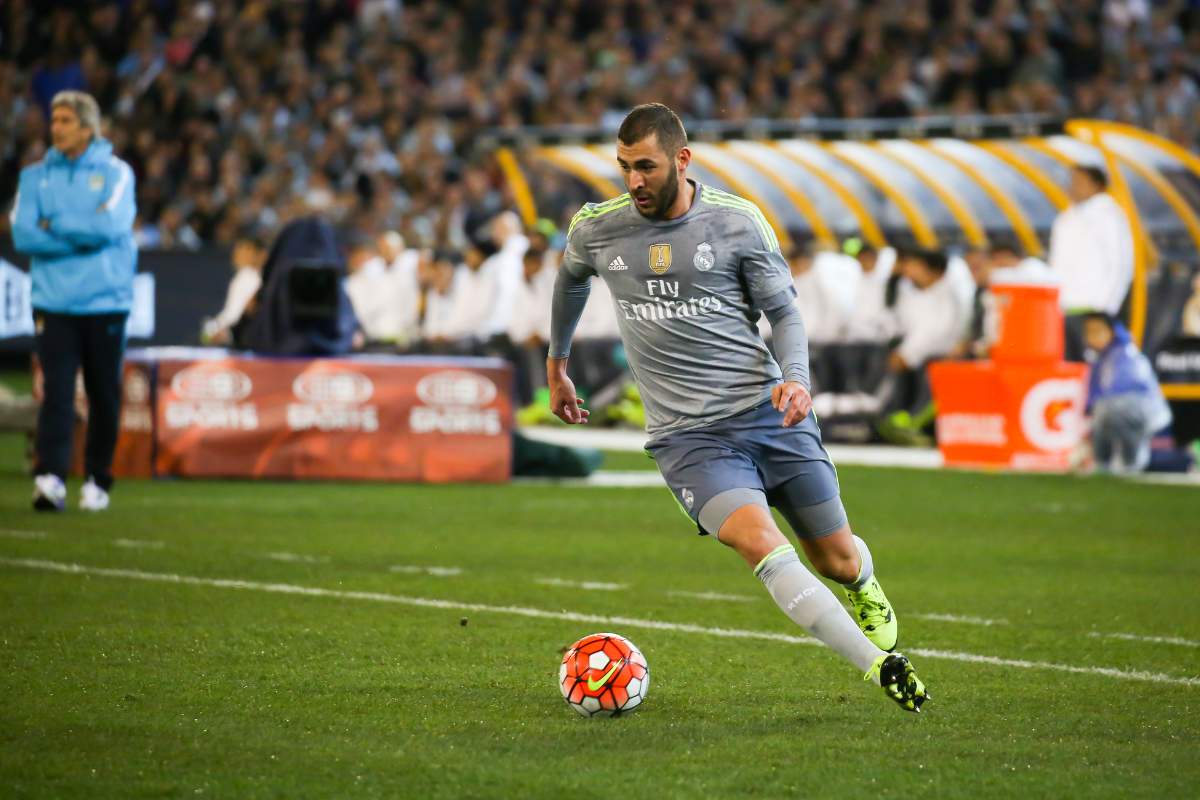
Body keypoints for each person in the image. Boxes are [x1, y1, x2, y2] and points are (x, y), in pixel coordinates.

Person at [547, 103, 929, 712]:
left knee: (836, 557)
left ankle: (862, 582)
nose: (634, 180)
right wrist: (557, 364)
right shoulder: (597, 227)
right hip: (687, 438)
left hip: (765, 412)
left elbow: (784, 313)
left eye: (645, 166)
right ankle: (876, 665)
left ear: (682, 159)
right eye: (623, 167)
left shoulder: (738, 223)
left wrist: (797, 380)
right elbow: (571, 280)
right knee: (761, 543)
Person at [9, 91, 136, 512]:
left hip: (106, 302)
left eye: (65, 120)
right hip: (54, 303)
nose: (56, 127)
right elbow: (24, 234)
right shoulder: (33, 177)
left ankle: (98, 480)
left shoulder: (117, 174)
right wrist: (82, 230)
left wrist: (54, 224)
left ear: (87, 127)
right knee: (57, 394)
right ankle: (51, 479)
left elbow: (111, 226)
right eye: (55, 118)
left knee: (103, 395)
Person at [1048, 165, 1134, 360]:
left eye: (1079, 181)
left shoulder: (1110, 215)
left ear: (1097, 185)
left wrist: (1106, 308)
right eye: (1072, 181)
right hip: (1065, 307)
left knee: (1096, 366)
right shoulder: (1065, 218)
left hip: (1095, 308)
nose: (1073, 186)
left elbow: (1120, 264)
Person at [1082, 313, 1173, 473]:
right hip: (1125, 410)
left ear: (1112, 331)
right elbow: (1093, 401)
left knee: (1109, 409)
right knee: (1102, 412)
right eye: (1089, 331)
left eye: (1097, 330)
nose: (1092, 336)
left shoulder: (1125, 353)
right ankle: (1102, 465)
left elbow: (1121, 394)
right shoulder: (1100, 359)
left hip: (1147, 411)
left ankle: (1132, 462)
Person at [201, 231, 267, 345]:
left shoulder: (250, 276)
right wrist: (214, 328)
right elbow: (231, 312)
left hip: (245, 337)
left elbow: (240, 313)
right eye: (238, 249)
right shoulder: (244, 276)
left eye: (245, 250)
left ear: (259, 253)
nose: (238, 254)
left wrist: (222, 331)